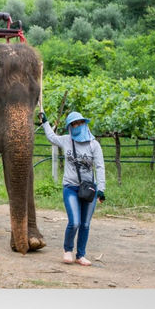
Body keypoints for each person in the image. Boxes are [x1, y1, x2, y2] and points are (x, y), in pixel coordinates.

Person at [38, 110, 105, 266]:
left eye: (79, 123)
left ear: (84, 124)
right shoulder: (67, 140)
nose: (77, 126)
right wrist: (45, 123)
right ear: (70, 127)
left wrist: (101, 189)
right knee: (74, 222)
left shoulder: (94, 145)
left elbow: (100, 167)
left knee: (85, 224)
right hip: (70, 187)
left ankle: (80, 255)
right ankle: (68, 250)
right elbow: (52, 138)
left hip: (89, 190)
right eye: (73, 124)